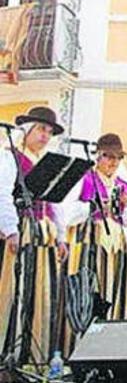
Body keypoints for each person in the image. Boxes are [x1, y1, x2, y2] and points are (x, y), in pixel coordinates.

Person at [0, 106, 68, 364]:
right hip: (22, 228)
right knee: (14, 290)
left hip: (43, 233)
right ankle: (9, 351)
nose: (45, 135)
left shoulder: (45, 163)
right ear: (27, 130)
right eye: (41, 129)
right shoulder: (10, 158)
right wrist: (10, 230)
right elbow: (2, 193)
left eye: (49, 132)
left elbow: (54, 203)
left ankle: (33, 353)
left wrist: (60, 236)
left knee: (40, 290)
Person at [62, 133, 127, 321]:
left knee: (114, 296)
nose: (114, 162)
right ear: (98, 155)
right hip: (88, 244)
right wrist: (93, 207)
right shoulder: (85, 178)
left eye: (118, 158)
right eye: (109, 156)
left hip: (116, 248)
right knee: (88, 296)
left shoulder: (123, 185)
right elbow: (66, 213)